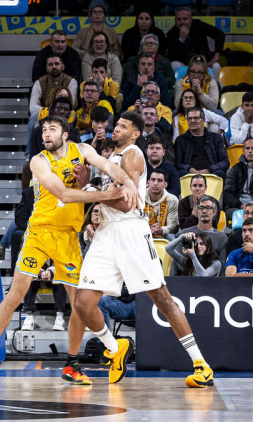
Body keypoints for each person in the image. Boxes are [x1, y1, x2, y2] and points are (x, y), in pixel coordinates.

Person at [0, 115, 137, 383]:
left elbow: (107, 165)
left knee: (79, 304)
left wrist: (127, 182)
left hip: (69, 237)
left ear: (65, 134)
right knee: (16, 294)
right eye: (44, 130)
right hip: (40, 232)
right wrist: (106, 195)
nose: (46, 134)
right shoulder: (38, 161)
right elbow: (64, 194)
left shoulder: (82, 150)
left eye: (52, 129)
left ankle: (72, 364)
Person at [72, 111, 214, 387]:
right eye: (118, 124)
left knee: (162, 299)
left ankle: (201, 364)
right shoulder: (111, 159)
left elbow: (125, 204)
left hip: (130, 231)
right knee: (82, 303)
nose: (117, 128)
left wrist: (87, 187)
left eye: (124, 126)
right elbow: (106, 197)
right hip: (106, 234)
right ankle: (115, 349)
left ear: (136, 134)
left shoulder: (133, 155)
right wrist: (91, 186)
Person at [166, 7, 224, 76]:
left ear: (190, 19)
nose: (182, 22)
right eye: (179, 19)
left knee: (216, 66)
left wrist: (216, 55)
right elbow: (173, 57)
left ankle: (215, 86)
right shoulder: (171, 34)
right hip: (186, 66)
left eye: (185, 19)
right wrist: (181, 39)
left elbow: (219, 34)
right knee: (174, 64)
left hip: (205, 63)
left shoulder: (198, 25)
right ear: (175, 20)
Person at [174, 107, 230, 179]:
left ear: (203, 120)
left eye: (196, 118)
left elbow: (225, 162)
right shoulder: (180, 140)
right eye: (190, 118)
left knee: (219, 173)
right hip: (189, 175)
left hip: (211, 174)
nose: (192, 121)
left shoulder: (216, 138)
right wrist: (189, 169)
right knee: (182, 173)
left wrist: (210, 170)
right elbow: (177, 163)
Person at [178, 196, 228, 262]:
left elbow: (222, 264)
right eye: (201, 208)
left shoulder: (222, 238)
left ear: (214, 212)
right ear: (197, 212)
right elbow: (177, 262)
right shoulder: (184, 234)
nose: (204, 211)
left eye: (208, 208)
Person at [144, 170, 179, 240]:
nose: (155, 183)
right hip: (142, 232)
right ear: (148, 182)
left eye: (159, 180)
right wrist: (148, 229)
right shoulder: (139, 197)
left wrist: (160, 230)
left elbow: (173, 226)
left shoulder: (172, 200)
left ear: (165, 185)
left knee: (171, 237)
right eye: (153, 180)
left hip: (163, 235)